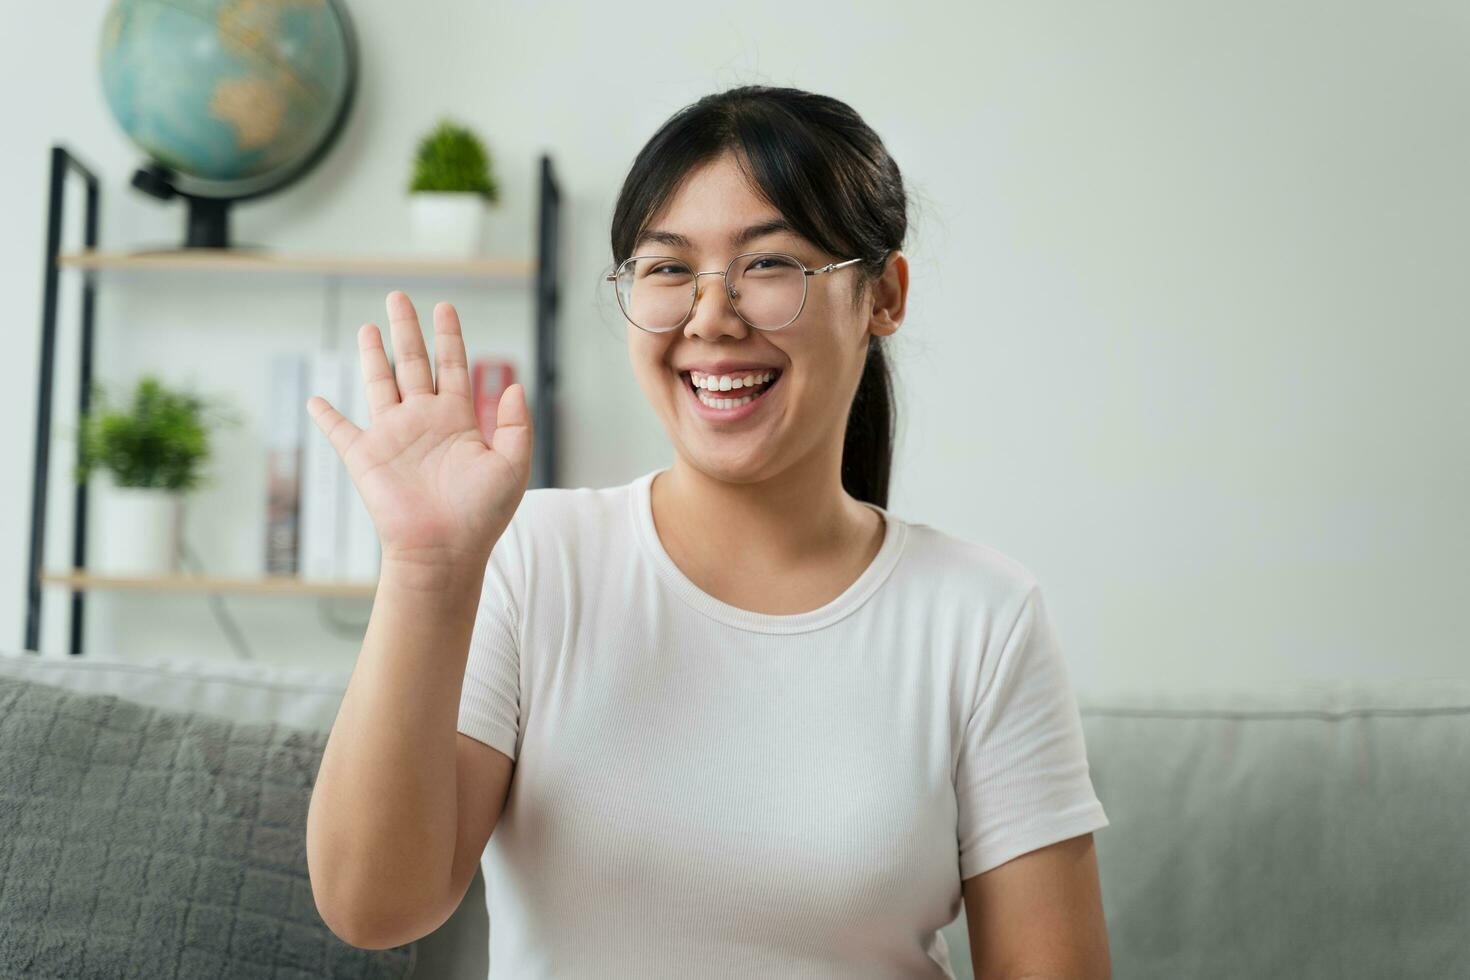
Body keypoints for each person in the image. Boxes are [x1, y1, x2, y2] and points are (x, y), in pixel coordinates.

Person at [305, 85, 1111, 979]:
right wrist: (427, 570)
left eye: (769, 266)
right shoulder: (533, 559)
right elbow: (373, 908)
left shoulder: (982, 615)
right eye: (666, 268)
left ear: (882, 295)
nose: (710, 317)